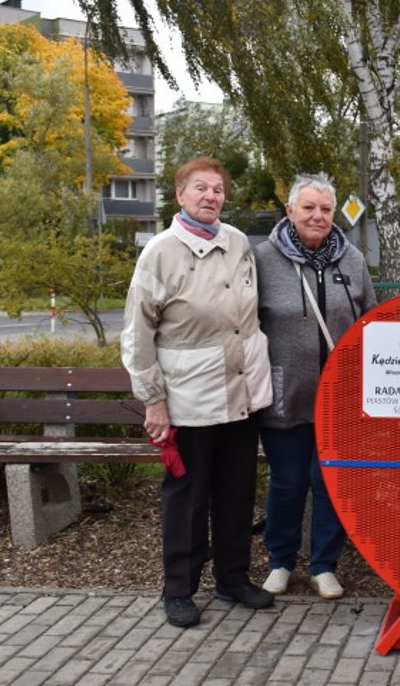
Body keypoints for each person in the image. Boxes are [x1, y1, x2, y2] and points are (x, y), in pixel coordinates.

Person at [121, 157, 274, 628]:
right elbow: (136, 333)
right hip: (189, 399)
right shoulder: (161, 252)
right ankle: (179, 588)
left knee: (236, 492)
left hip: (241, 393)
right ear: (181, 195)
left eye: (218, 189)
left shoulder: (237, 244)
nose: (211, 196)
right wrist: (153, 399)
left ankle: (232, 578)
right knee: (187, 498)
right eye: (200, 188)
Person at [255, 173, 377, 600]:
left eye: (325, 209)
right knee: (287, 482)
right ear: (290, 211)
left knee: (330, 482)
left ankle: (324, 564)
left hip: (340, 399)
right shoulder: (262, 259)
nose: (317, 216)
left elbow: (370, 324)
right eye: (308, 207)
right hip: (285, 394)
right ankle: (281, 562)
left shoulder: (352, 260)